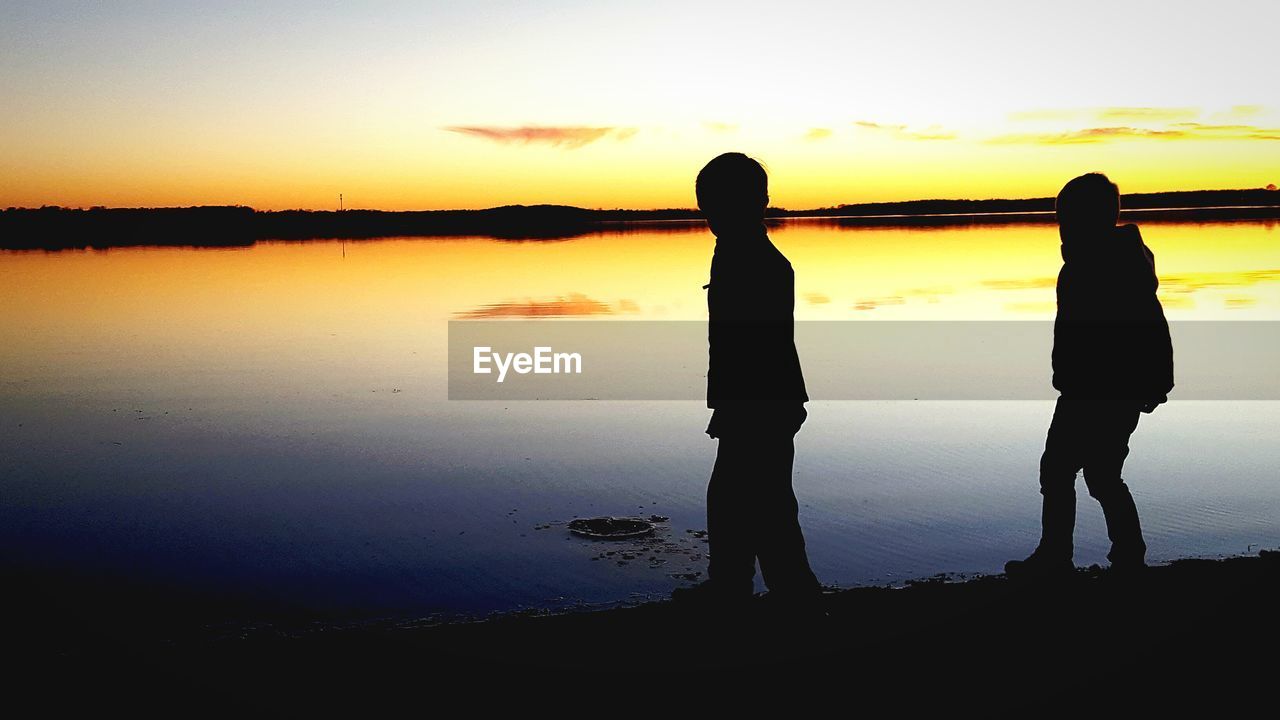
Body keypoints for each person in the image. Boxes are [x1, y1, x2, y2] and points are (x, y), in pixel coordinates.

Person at [1006, 172, 1174, 579]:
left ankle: (1061, 557)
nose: (1060, 225)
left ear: (1089, 218)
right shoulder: (1094, 259)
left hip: (1100, 389)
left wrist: (1155, 383)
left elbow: (1150, 326)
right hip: (1094, 386)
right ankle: (1122, 555)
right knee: (1097, 475)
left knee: (1064, 470)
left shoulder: (1106, 262)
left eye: (1066, 216)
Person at [672, 152, 822, 606]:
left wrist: (737, 406)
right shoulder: (735, 252)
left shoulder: (755, 260)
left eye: (716, 203)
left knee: (765, 505)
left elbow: (756, 349)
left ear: (758, 201)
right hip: (755, 401)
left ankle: (795, 597)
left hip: (762, 403)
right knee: (734, 501)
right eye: (706, 204)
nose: (708, 214)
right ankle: (735, 585)